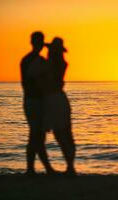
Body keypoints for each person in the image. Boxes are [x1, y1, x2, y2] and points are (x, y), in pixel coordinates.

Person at [29, 37, 76, 174]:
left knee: (61, 135)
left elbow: (33, 73)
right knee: (66, 134)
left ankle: (70, 168)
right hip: (58, 98)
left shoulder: (50, 64)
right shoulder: (60, 63)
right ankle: (70, 167)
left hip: (53, 100)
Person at [20, 31, 54, 174]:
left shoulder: (34, 59)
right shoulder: (31, 60)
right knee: (35, 135)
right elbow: (30, 82)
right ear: (34, 43)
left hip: (36, 100)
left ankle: (43, 168)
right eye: (39, 41)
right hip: (33, 100)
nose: (40, 44)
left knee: (39, 135)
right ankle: (32, 169)